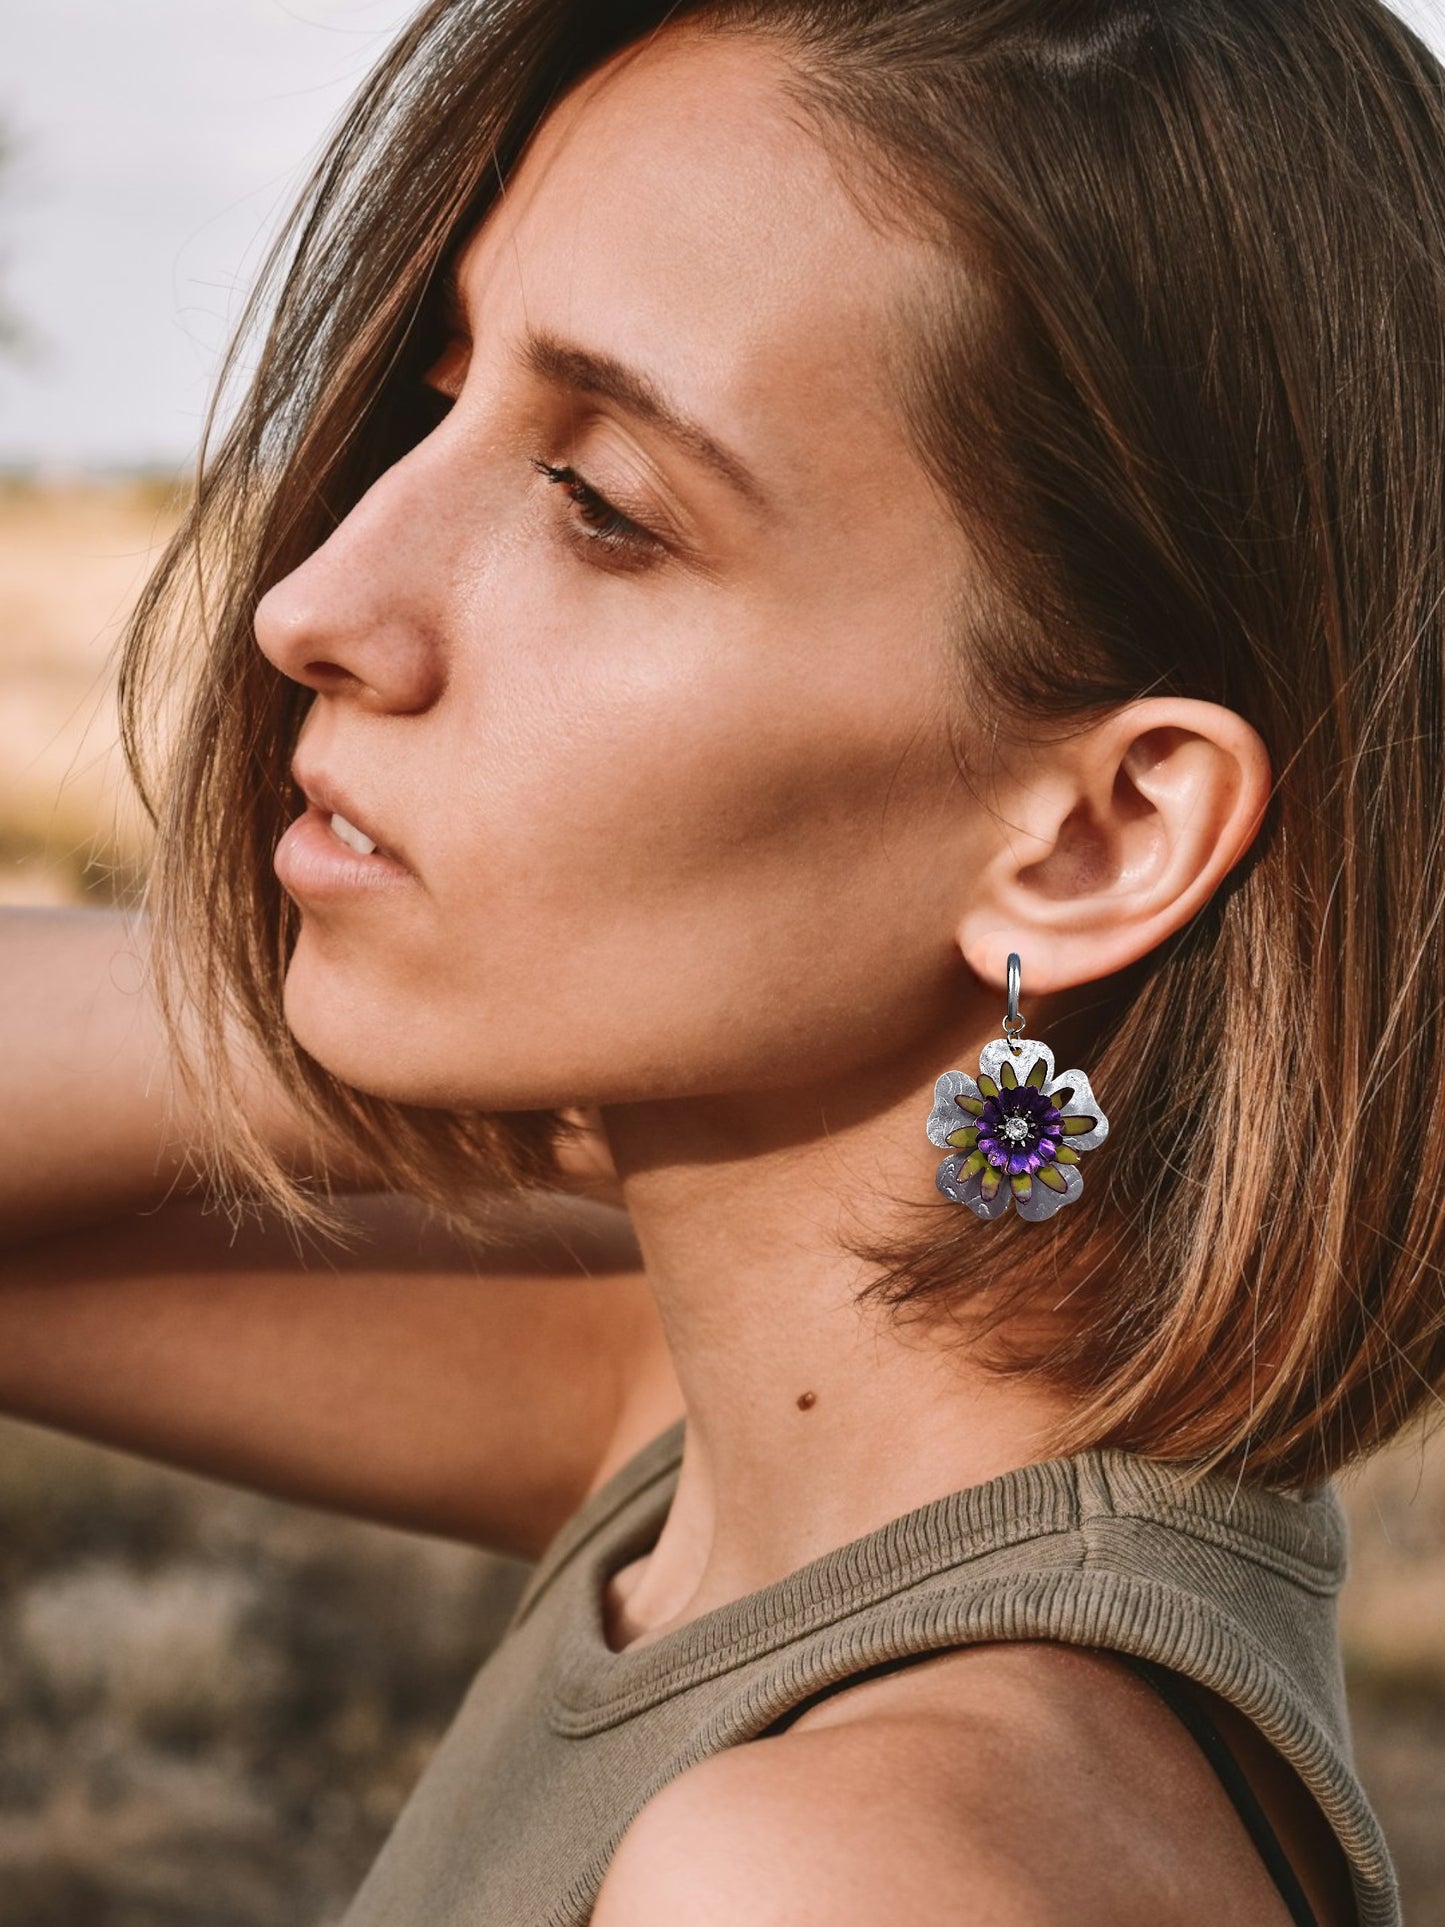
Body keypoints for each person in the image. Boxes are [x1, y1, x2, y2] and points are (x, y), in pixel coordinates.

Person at [4, 0, 1443, 1920]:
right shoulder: (745, 1439)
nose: (314, 600)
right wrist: (510, 1085)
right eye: (445, 399)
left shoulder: (851, 1864)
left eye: (602, 506)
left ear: (1096, 837)